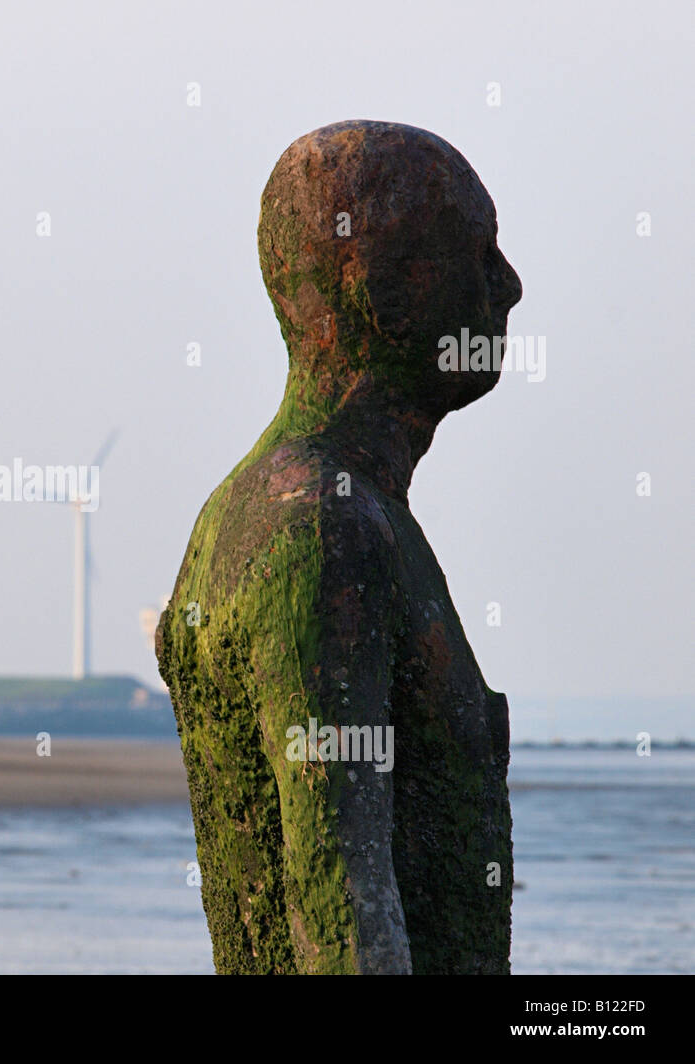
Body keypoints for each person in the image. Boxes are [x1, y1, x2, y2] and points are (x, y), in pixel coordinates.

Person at [156, 120, 521, 975]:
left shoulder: (255, 515)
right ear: (380, 294)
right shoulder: (326, 531)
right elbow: (343, 901)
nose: (509, 287)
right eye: (478, 254)